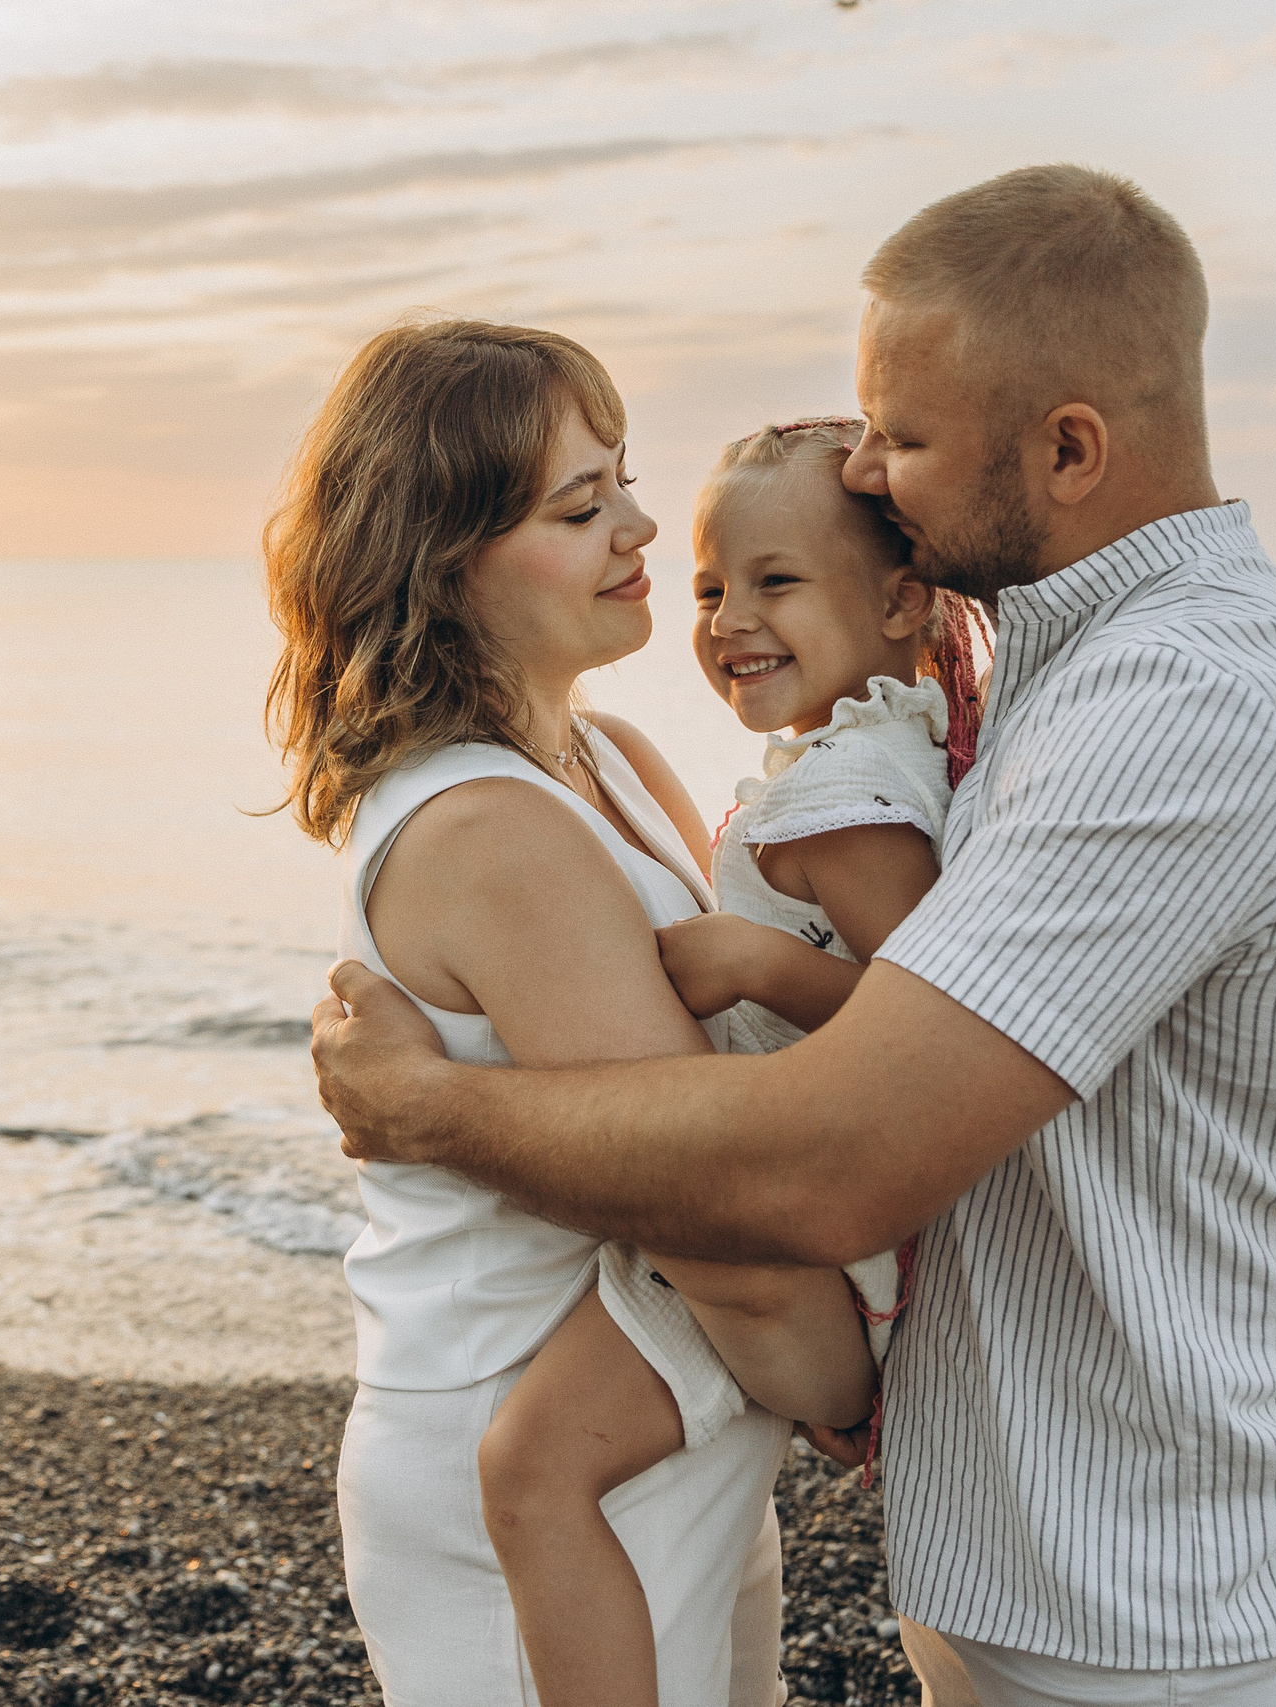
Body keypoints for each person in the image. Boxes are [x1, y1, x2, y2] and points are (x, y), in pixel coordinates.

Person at [311, 164, 1276, 1707]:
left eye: (900, 434)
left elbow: (826, 1158)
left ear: (1070, 449)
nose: (870, 475)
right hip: (1042, 1556)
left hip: (1154, 1593)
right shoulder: (1040, 675)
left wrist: (425, 1109)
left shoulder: (1179, 709)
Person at [265, 317, 875, 1706]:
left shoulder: (609, 752)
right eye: (580, 506)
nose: (644, 526)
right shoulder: (491, 829)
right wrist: (855, 1390)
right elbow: (708, 1200)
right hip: (537, 1454)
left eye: (626, 481)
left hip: (679, 1412)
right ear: (445, 564)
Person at [481, 415, 995, 1704]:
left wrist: (761, 967)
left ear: (898, 601)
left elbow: (931, 1023)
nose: (726, 619)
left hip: (793, 1222)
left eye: (776, 582)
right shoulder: (856, 757)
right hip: (796, 1201)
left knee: (533, 1472)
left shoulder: (849, 801)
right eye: (713, 587)